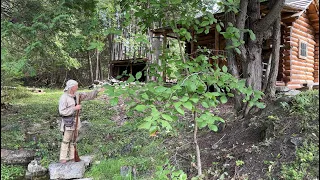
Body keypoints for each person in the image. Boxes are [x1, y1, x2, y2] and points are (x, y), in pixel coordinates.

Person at [58, 79, 104, 163]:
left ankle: (72, 157)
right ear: (71, 87)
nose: (77, 87)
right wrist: (74, 108)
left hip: (76, 120)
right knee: (66, 139)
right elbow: (62, 111)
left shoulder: (77, 95)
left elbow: (87, 95)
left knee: (74, 140)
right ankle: (63, 158)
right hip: (68, 121)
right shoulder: (64, 97)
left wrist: (97, 91)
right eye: (76, 86)